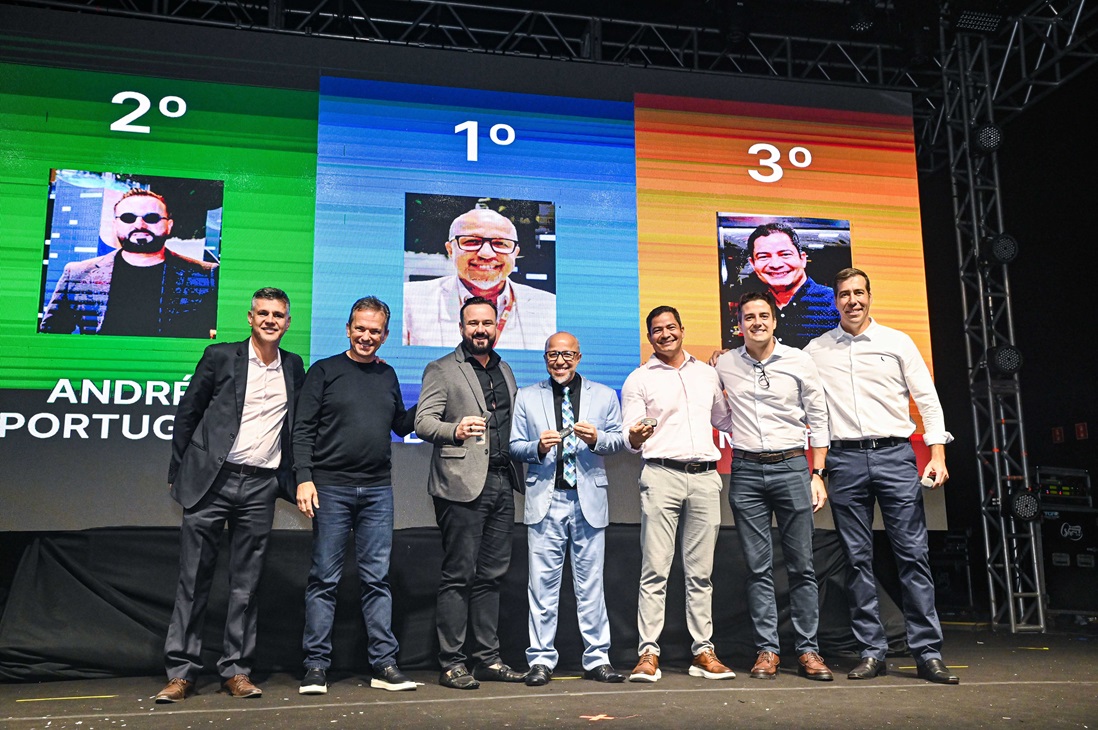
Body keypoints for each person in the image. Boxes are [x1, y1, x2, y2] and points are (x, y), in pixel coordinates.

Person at [804, 267, 959, 685]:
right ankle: (872, 652)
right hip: (845, 460)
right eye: (844, 294)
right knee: (857, 560)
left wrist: (938, 453)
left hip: (895, 456)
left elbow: (927, 399)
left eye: (859, 292)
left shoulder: (897, 342)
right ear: (835, 301)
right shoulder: (816, 350)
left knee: (913, 555)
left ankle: (927, 652)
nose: (852, 300)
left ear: (870, 296)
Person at [155, 287, 305, 703]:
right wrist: (178, 471)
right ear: (250, 317)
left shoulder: (294, 366)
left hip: (261, 486)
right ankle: (181, 673)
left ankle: (236, 671)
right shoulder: (220, 356)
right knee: (192, 582)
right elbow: (188, 413)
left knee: (246, 585)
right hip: (211, 483)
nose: (270, 320)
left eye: (278, 315)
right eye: (263, 313)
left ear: (288, 323)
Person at [293, 297, 418, 695]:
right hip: (330, 488)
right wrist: (304, 477)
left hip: (378, 490)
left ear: (385, 335)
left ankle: (384, 665)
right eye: (360, 328)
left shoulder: (388, 374)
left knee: (377, 580)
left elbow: (400, 425)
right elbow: (302, 429)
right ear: (348, 329)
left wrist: (432, 401)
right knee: (324, 580)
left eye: (374, 331)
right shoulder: (324, 371)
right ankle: (316, 666)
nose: (366, 336)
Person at [713, 291, 834, 682]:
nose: (757, 323)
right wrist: (741, 430)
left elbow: (819, 417)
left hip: (793, 467)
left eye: (763, 316)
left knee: (802, 566)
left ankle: (808, 650)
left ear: (775, 320)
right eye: (749, 317)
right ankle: (767, 650)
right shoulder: (725, 363)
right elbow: (718, 413)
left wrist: (818, 473)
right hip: (746, 470)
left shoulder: (799, 360)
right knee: (758, 568)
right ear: (739, 324)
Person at [414, 296, 527, 689]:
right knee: (459, 575)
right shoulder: (442, 368)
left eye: (487, 323)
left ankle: (488, 659)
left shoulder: (505, 369)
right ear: (461, 328)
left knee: (491, 577)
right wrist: (456, 429)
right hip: (460, 485)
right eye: (473, 323)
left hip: (502, 482)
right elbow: (423, 422)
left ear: (497, 327)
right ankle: (452, 663)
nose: (481, 329)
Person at [620, 305, 737, 683]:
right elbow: (630, 437)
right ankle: (648, 653)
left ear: (682, 330)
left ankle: (703, 651)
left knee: (701, 573)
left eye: (671, 327)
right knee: (655, 570)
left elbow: (725, 420)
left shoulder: (707, 374)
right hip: (661, 475)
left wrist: (734, 376)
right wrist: (636, 434)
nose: (665, 334)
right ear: (649, 337)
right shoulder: (638, 379)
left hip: (705, 477)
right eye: (657, 330)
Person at [510, 332, 627, 686]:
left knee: (591, 585)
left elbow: (619, 440)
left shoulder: (604, 395)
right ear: (545, 358)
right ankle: (540, 660)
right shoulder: (527, 396)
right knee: (541, 587)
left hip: (587, 499)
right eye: (553, 355)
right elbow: (514, 446)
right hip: (545, 500)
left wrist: (597, 439)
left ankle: (597, 658)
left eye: (567, 355)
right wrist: (537, 448)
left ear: (578, 357)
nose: (559, 361)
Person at [40, 188, 217, 337]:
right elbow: (50, 335)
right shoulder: (77, 274)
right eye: (128, 218)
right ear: (115, 224)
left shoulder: (206, 275)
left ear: (169, 225)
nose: (139, 225)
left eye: (152, 218)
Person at [403, 207, 555, 349]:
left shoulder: (549, 307)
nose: (486, 254)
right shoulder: (409, 299)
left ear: (515, 253)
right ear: (450, 250)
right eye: (472, 241)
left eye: (500, 243)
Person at [736, 222, 838, 349]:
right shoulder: (755, 306)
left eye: (785, 254)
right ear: (753, 264)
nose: (776, 264)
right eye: (764, 256)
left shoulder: (835, 303)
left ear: (803, 259)